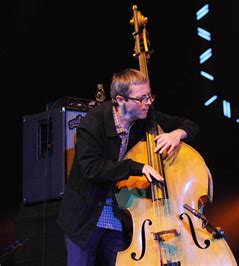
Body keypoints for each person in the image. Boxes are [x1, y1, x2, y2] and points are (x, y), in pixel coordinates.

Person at [57, 68, 199, 266]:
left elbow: (189, 124)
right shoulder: (93, 123)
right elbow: (91, 168)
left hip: (118, 214)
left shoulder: (146, 116)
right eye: (141, 98)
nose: (148, 102)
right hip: (84, 216)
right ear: (121, 100)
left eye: (150, 95)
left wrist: (178, 133)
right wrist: (136, 167)